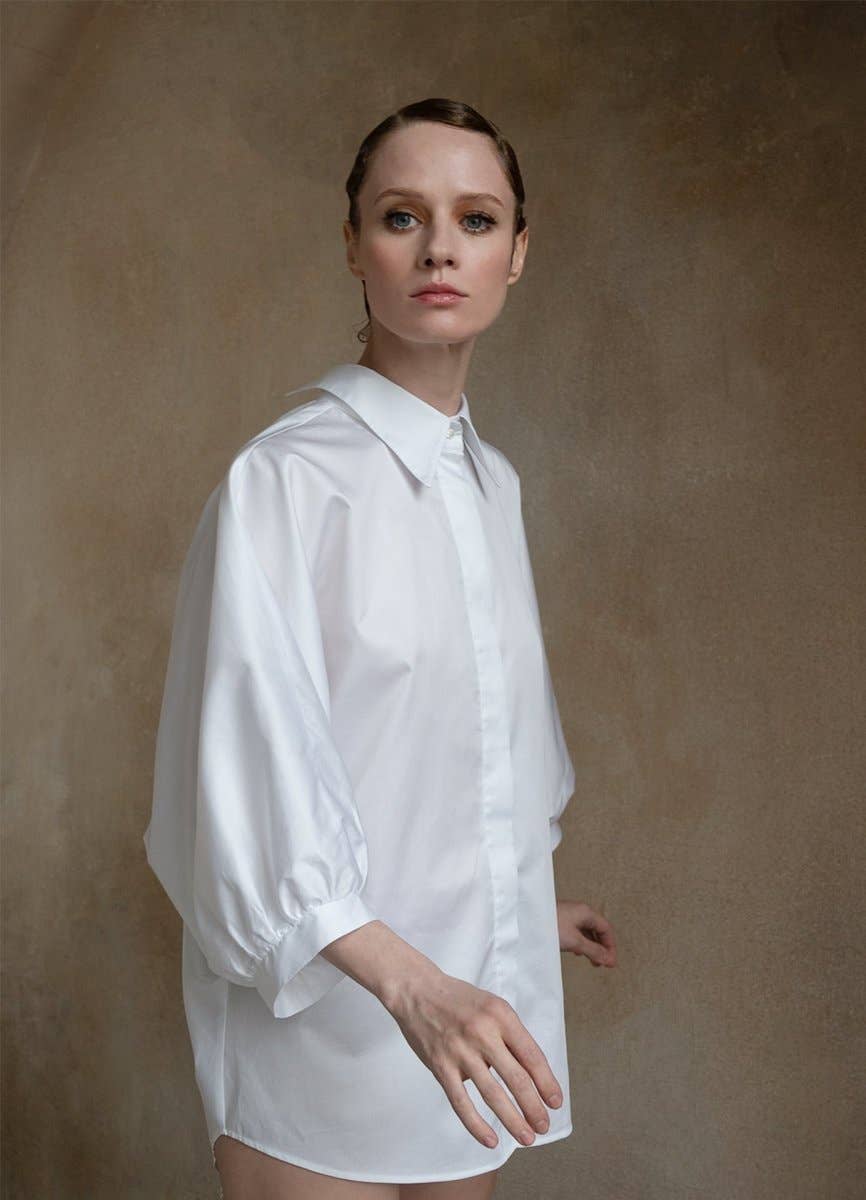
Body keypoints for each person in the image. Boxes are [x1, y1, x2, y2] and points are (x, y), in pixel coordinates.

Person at [143, 97, 617, 1200]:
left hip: (464, 1014)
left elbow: (427, 744)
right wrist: (414, 991)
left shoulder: (490, 485)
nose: (441, 247)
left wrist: (512, 901)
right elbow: (247, 790)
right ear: (352, 244)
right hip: (326, 1027)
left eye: (476, 219)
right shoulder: (284, 482)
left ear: (517, 254)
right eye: (402, 217)